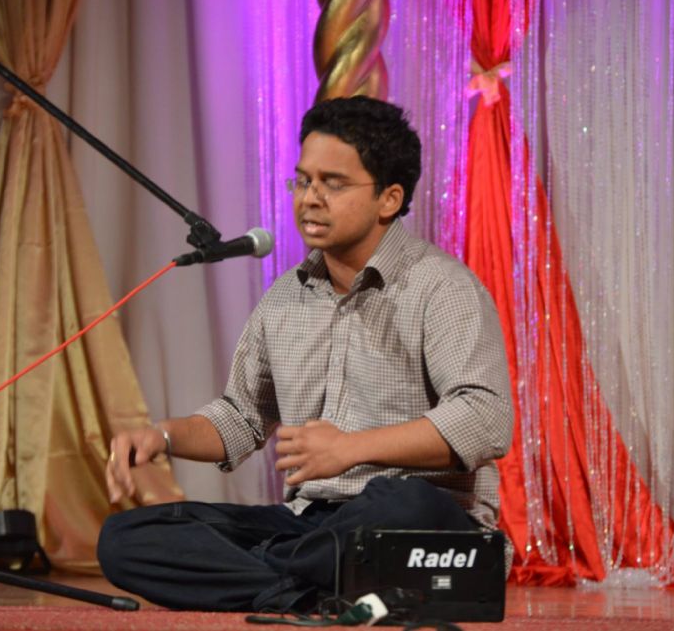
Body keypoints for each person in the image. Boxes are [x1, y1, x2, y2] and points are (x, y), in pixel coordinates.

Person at [98, 96, 513, 612]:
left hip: (417, 522)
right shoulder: (284, 298)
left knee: (404, 502)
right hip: (311, 525)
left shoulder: (443, 288)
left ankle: (283, 576)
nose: (310, 198)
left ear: (389, 199)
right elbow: (241, 417)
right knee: (125, 538)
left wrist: (350, 448)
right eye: (302, 181)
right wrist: (163, 436)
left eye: (333, 184)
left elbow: (484, 419)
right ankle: (306, 586)